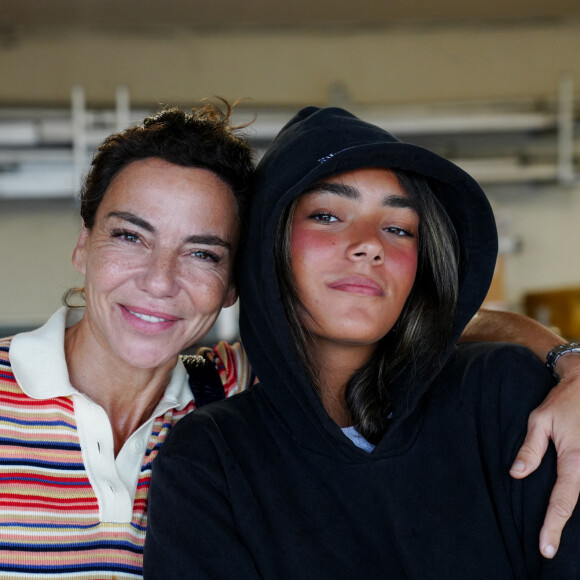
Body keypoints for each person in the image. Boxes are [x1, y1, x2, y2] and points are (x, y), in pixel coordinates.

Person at [144, 106, 580, 578]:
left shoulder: (504, 395)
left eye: (398, 228)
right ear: (268, 244)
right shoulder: (213, 457)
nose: (370, 244)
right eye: (327, 215)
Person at [0, 103, 255, 578]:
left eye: (202, 253)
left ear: (233, 284)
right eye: (131, 236)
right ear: (84, 244)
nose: (160, 281)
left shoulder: (240, 395)